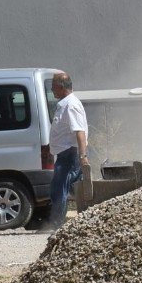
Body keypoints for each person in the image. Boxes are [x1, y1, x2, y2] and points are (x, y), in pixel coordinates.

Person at [41, 72, 88, 231]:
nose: (52, 90)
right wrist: (51, 148)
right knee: (74, 189)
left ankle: (56, 224)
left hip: (70, 154)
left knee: (59, 189)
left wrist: (82, 156)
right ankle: (84, 219)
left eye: (53, 86)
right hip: (65, 153)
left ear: (61, 87)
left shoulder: (70, 105)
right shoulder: (65, 104)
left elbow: (80, 132)